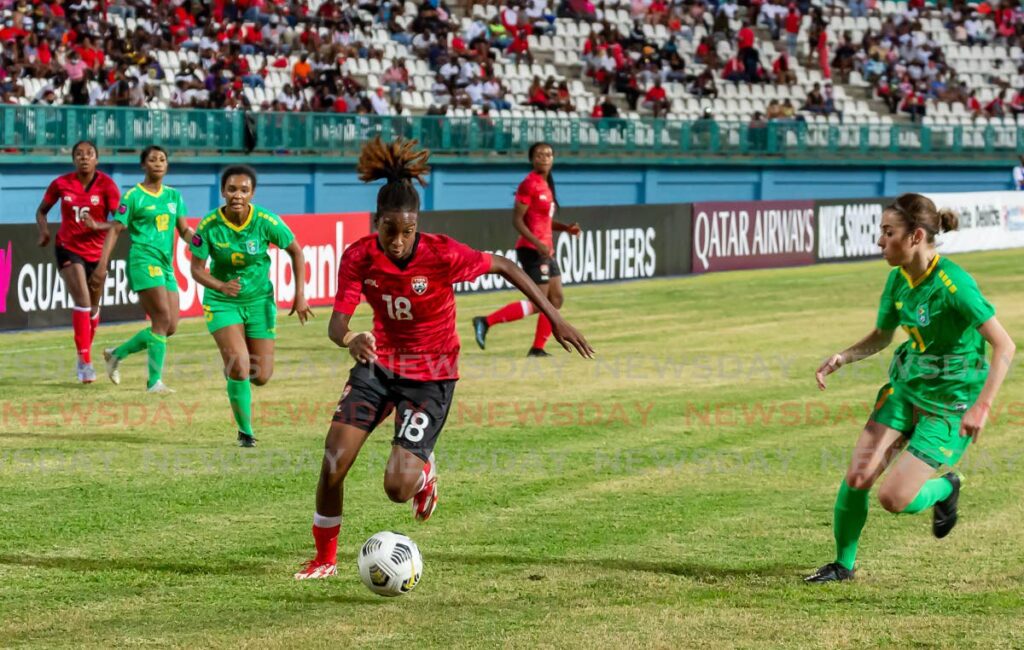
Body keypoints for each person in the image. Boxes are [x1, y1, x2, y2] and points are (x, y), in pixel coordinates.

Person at [294, 137, 593, 580]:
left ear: (417, 226)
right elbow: (337, 325)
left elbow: (507, 267)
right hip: (377, 366)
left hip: (430, 377)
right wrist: (351, 338)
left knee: (396, 489)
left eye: (406, 231)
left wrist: (557, 318)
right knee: (334, 460)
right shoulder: (358, 256)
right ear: (377, 222)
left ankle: (424, 471)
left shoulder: (442, 254)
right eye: (389, 230)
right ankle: (324, 559)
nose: (397, 241)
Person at [806, 193, 1015, 583]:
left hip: (948, 405)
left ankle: (946, 487)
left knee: (893, 499)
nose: (880, 241)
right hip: (904, 392)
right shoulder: (897, 279)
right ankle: (843, 565)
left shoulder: (954, 284)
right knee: (857, 477)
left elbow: (1005, 345)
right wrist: (844, 357)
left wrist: (982, 407)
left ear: (916, 236)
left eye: (888, 232)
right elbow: (883, 335)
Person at [188, 165, 313, 447]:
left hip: (259, 302)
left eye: (244, 190)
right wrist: (220, 286)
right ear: (223, 192)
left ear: (252, 193)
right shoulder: (208, 226)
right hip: (222, 302)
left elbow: (296, 252)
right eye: (232, 189)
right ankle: (245, 432)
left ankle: (235, 372)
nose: (237, 195)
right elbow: (196, 269)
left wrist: (300, 295)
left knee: (261, 376)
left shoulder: (266, 221)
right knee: (240, 367)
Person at [92, 146, 193, 393]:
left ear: (167, 165)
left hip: (165, 265)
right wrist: (102, 265)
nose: (158, 163)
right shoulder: (133, 196)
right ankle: (154, 382)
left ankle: (116, 354)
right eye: (152, 159)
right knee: (160, 319)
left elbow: (185, 230)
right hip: (143, 260)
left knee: (170, 327)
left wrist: (201, 241)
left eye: (162, 159)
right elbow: (116, 228)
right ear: (143, 165)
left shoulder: (174, 196)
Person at [472, 142, 582, 357]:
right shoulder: (529, 184)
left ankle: (538, 348)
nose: (545, 157)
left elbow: (544, 221)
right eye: (540, 154)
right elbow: (518, 221)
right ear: (532, 159)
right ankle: (486, 321)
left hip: (545, 250)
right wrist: (538, 243)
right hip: (532, 250)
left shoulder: (546, 184)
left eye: (548, 154)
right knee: (540, 303)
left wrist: (566, 228)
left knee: (556, 299)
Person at [35, 140, 122, 383]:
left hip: (97, 253)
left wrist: (98, 225)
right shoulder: (61, 183)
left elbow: (120, 223)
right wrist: (44, 231)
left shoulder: (107, 185)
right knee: (83, 301)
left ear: (97, 159)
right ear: (73, 159)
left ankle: (82, 353)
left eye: (89, 154)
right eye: (79, 154)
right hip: (68, 248)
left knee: (94, 308)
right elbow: (41, 211)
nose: (84, 157)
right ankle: (85, 362)